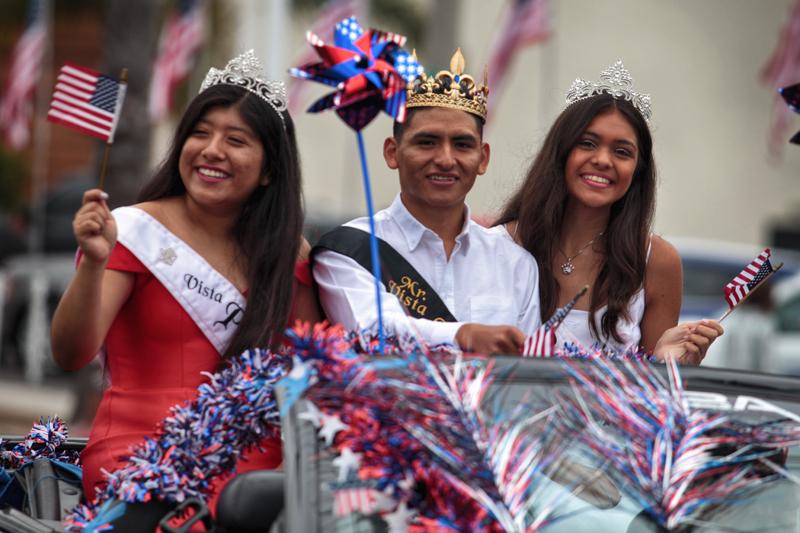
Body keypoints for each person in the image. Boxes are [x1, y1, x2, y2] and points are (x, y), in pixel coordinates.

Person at [50, 50, 320, 501]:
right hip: (141, 457)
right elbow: (70, 354)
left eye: (236, 140)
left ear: (271, 169)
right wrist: (94, 264)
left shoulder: (288, 252)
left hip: (257, 466)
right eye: (200, 133)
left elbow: (310, 373)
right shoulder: (135, 231)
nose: (212, 150)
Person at [312, 49, 541, 355]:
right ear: (392, 152)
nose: (446, 159)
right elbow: (372, 331)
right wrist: (464, 335)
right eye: (427, 142)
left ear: (483, 158)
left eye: (462, 145)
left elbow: (526, 366)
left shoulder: (516, 264)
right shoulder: (347, 250)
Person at [496, 60, 723, 363]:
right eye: (587, 143)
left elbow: (654, 394)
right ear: (561, 153)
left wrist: (672, 361)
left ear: (637, 171)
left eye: (622, 152)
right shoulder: (499, 245)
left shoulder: (656, 260)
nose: (603, 160)